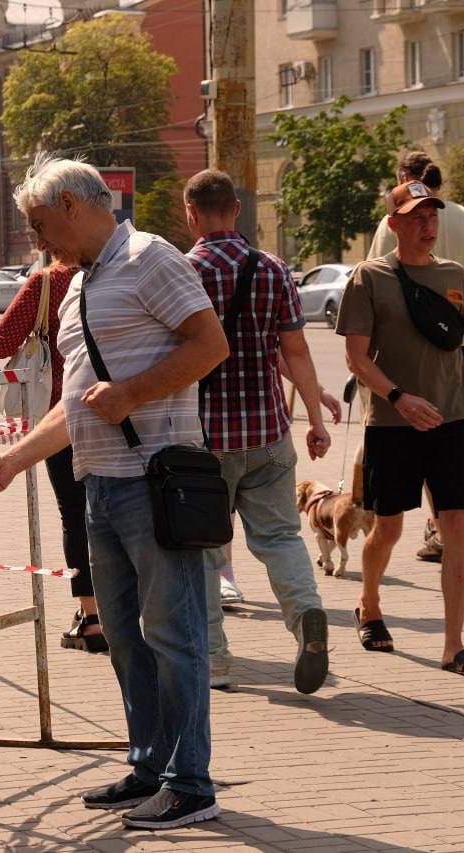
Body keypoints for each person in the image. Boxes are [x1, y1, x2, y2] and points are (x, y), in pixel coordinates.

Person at [0, 154, 228, 831]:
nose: (37, 238)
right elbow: (77, 403)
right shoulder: (79, 283)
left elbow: (211, 345)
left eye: (40, 223)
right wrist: (15, 460)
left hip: (154, 482)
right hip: (101, 486)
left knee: (176, 636)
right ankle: (149, 766)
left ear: (76, 206)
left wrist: (134, 393)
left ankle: (191, 782)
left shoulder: (151, 257)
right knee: (121, 636)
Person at [182, 169, 338, 694]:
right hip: (269, 433)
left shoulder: (183, 272)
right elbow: (295, 351)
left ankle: (216, 663)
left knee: (202, 549)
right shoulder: (273, 269)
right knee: (279, 538)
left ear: (191, 213)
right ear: (236, 210)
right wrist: (315, 419)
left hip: (202, 440)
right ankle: (308, 614)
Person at [336, 180, 464, 678]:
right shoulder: (369, 278)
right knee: (388, 527)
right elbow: (356, 359)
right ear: (394, 223)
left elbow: (451, 348)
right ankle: (369, 603)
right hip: (392, 421)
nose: (427, 226)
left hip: (452, 418)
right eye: (415, 217)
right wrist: (400, 398)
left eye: (432, 216)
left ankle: (454, 645)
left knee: (457, 526)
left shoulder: (454, 274)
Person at [366, 151, 464, 562]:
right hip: (461, 341)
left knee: (422, 429)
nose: (426, 226)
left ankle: (440, 523)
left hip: (405, 345)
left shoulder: (396, 220)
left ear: (405, 177)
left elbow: (370, 280)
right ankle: (442, 521)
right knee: (444, 433)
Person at [0, 251, 105, 654]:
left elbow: (1, 340)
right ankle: (125, 610)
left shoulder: (46, 284)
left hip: (62, 417)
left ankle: (92, 618)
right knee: (116, 512)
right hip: (117, 413)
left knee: (75, 517)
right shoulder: (110, 270)